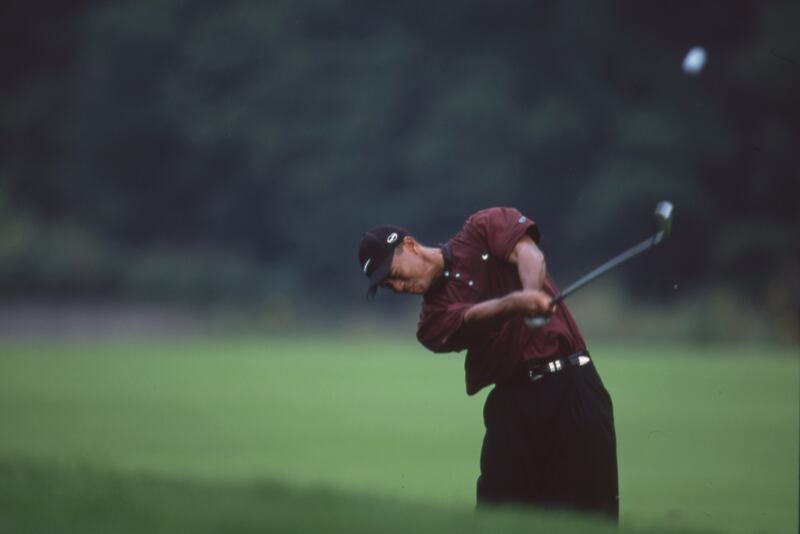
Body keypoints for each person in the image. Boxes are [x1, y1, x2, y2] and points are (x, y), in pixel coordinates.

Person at [357, 207, 618, 519]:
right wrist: (517, 303)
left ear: (410, 245)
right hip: (514, 404)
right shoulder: (430, 324)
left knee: (590, 517)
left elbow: (529, 253)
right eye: (388, 285)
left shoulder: (482, 228)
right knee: (497, 517)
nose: (398, 287)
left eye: (394, 274)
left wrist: (531, 291)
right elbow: (472, 317)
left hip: (574, 388)